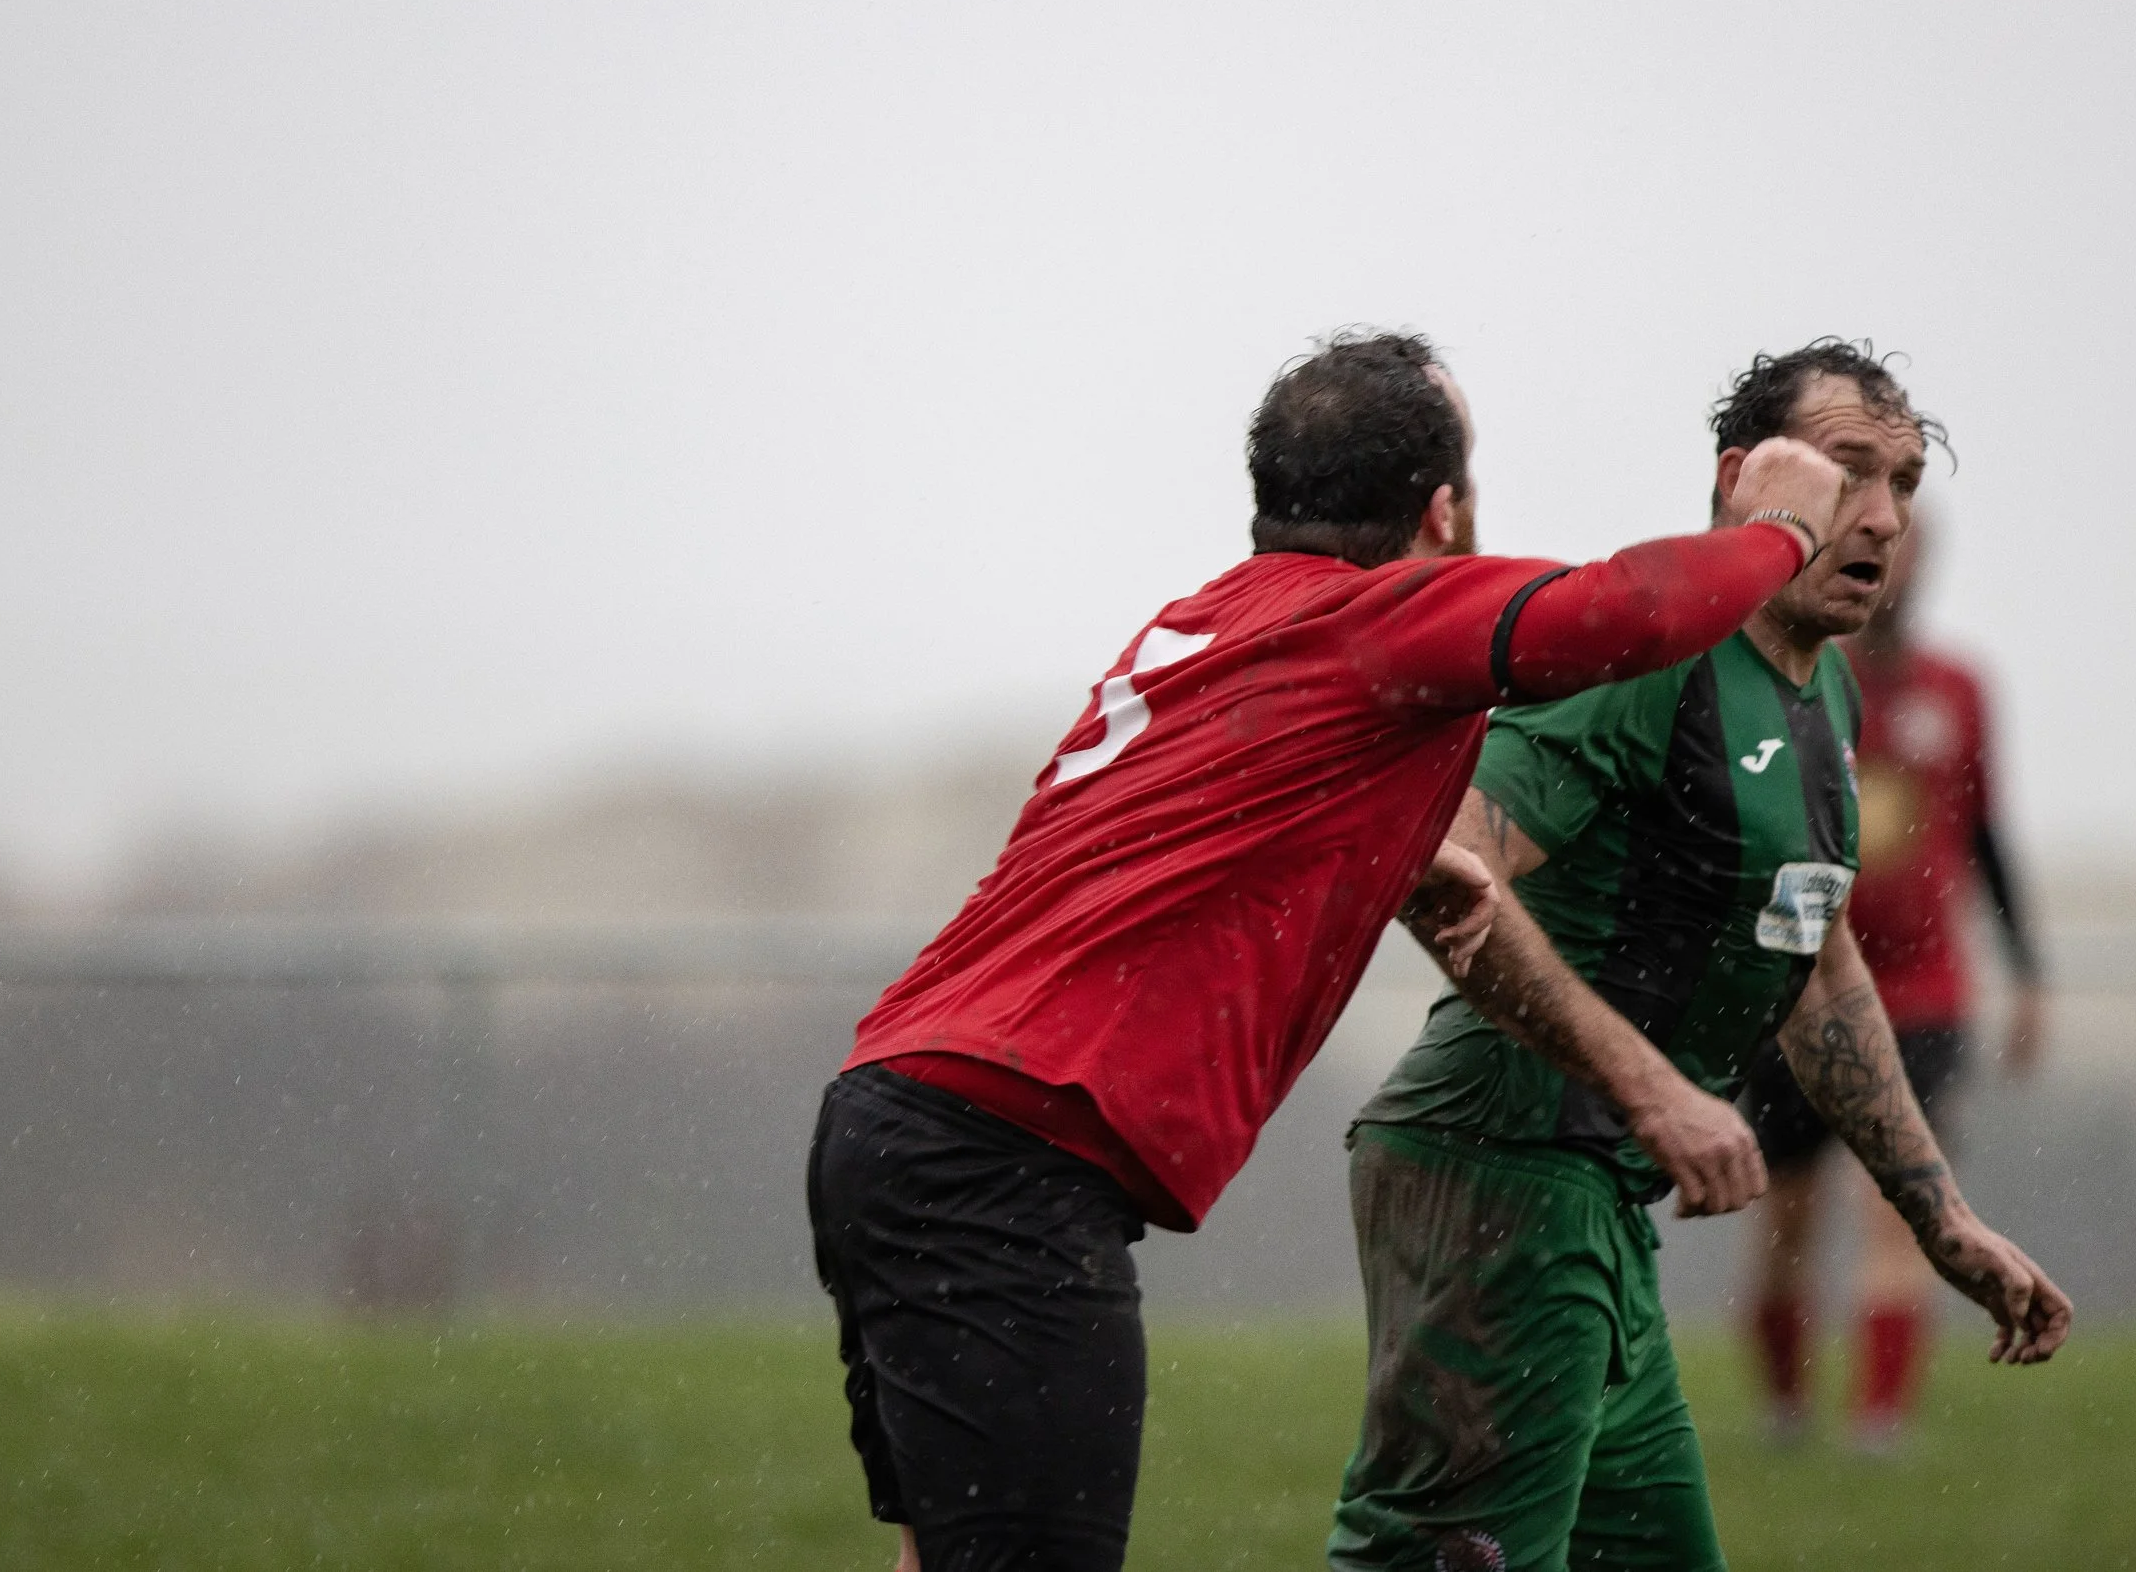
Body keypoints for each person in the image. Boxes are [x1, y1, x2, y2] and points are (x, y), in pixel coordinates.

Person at [808, 329, 1846, 1572]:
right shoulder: (1376, 621)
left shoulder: (1203, 621)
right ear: (1442, 508)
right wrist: (1781, 522)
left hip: (893, 1111)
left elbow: (1182, 828)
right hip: (1006, 1155)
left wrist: (1394, 853)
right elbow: (1628, 610)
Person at [1333, 340, 2071, 1572]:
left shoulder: (1821, 695)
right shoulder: (1640, 652)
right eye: (1845, 471)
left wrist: (1938, 1214)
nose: (1880, 515)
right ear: (1744, 482)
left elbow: (1820, 967)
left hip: (1596, 1203)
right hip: (1497, 1170)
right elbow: (1441, 866)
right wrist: (1653, 1084)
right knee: (1435, 1561)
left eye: (1902, 481)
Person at [1740, 510, 2047, 1451]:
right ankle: (1788, 1411)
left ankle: (1879, 1424)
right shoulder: (1793, 678)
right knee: (1787, 1220)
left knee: (1901, 1199)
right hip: (1795, 982)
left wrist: (2027, 971)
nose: (1894, 559)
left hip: (1924, 992)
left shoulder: (1957, 689)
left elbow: (1988, 832)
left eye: (1912, 539)